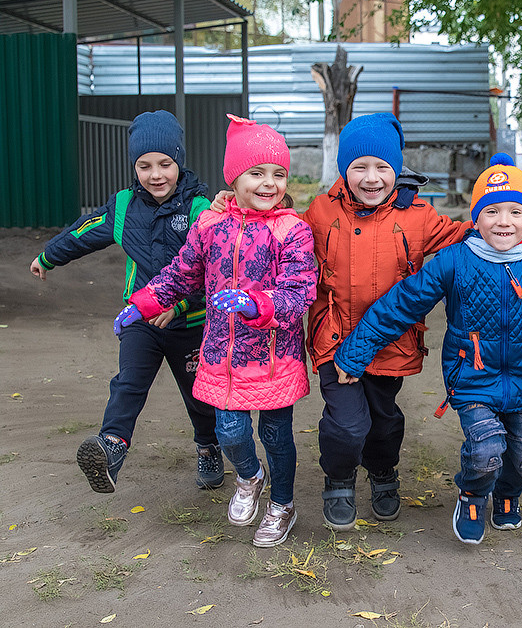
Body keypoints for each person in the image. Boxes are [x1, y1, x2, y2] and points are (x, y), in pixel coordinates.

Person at [284, 113, 522, 532]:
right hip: (335, 336)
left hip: (393, 342)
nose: (372, 178)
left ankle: (384, 472)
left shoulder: (418, 216)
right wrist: (238, 204)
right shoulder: (320, 211)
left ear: (397, 169)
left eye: (383, 168)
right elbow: (281, 233)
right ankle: (338, 479)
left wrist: (519, 232)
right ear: (343, 169)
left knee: (385, 420)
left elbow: (469, 230)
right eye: (359, 168)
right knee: (348, 424)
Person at [333, 155, 522, 545]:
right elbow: (402, 304)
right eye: (491, 211)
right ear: (475, 219)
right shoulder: (455, 260)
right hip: (474, 379)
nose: (504, 221)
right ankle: (473, 495)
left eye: (515, 211)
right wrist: (357, 352)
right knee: (487, 449)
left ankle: (508, 497)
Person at [117, 114, 317, 548]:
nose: (269, 184)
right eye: (256, 173)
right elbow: (181, 273)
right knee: (229, 433)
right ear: (234, 177)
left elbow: (299, 293)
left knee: (276, 436)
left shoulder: (292, 230)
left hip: (273, 361)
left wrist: (256, 304)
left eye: (278, 174)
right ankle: (250, 477)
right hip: (221, 359)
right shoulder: (209, 225)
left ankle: (282, 504)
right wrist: (143, 304)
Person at [29, 110, 222, 494]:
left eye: (165, 164)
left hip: (192, 320)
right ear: (134, 168)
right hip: (141, 317)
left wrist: (179, 306)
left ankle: (208, 447)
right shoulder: (123, 207)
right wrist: (48, 255)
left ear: (179, 161)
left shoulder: (200, 208)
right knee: (128, 383)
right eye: (144, 165)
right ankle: (111, 448)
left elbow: (211, 271)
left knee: (198, 395)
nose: (155, 175)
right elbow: (84, 231)